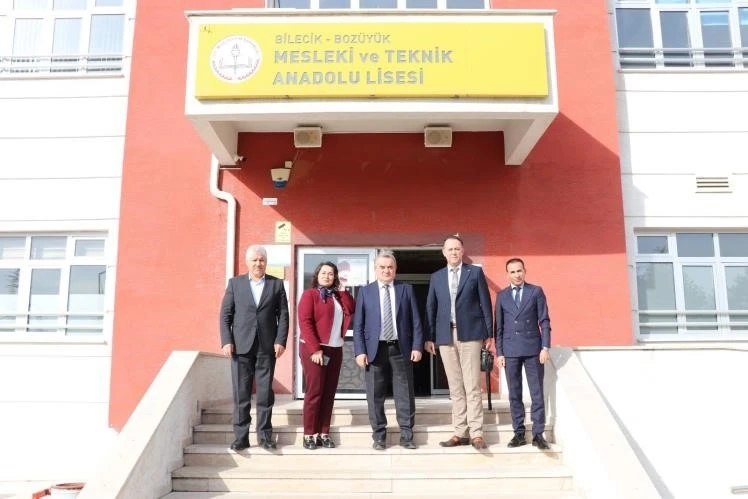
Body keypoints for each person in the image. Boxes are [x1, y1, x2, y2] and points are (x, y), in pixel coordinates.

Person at [425, 235, 492, 450]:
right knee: (455, 387)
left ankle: (476, 433)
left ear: (462, 251)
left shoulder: (475, 273)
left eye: (457, 249)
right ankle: (460, 432)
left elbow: (485, 303)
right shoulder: (436, 277)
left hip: (471, 334)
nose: (454, 252)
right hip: (445, 336)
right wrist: (430, 336)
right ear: (443, 252)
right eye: (450, 249)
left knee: (472, 385)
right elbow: (431, 308)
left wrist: (489, 334)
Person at [220, 245, 289, 451]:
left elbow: (283, 315)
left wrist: (280, 341)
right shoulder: (235, 284)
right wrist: (226, 340)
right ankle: (241, 437)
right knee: (241, 393)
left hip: (267, 347)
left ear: (266, 262)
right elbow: (225, 315)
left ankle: (265, 436)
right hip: (240, 347)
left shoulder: (276, 285)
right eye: (255, 260)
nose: (258, 263)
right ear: (247, 262)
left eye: (262, 260)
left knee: (265, 394)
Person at [353, 250, 424, 450]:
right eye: (382, 267)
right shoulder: (365, 292)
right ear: (375, 269)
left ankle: (407, 435)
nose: (386, 270)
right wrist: (360, 351)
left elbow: (416, 321)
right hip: (374, 350)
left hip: (401, 348)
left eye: (390, 267)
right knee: (375, 394)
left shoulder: (406, 289)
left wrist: (417, 346)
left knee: (405, 393)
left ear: (395, 269)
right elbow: (358, 325)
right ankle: (379, 436)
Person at [494, 257, 551, 450]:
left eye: (519, 271)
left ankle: (538, 434)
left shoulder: (535, 291)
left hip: (533, 349)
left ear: (525, 271)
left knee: (537, 393)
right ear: (507, 275)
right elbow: (498, 327)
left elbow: (544, 321)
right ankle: (518, 433)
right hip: (510, 350)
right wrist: (499, 352)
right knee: (514, 394)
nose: (517, 275)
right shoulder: (502, 296)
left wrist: (545, 347)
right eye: (513, 272)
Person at [297, 261, 355, 450]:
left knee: (329, 393)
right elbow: (305, 322)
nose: (327, 276)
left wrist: (343, 290)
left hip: (335, 349)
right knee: (315, 392)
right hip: (315, 349)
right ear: (317, 275)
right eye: (324, 273)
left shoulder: (337, 296)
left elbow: (351, 309)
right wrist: (315, 349)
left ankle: (323, 433)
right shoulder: (310, 295)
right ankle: (309, 434)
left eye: (331, 273)